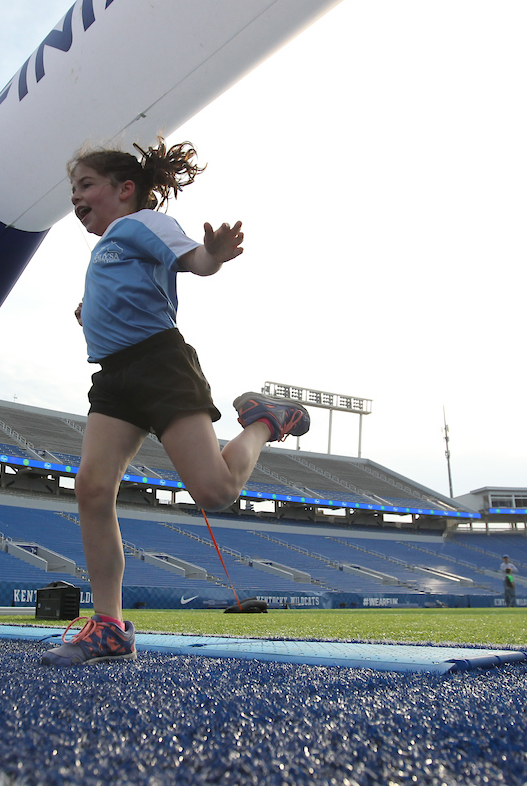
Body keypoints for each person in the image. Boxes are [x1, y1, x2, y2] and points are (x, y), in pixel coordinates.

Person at [41, 140, 311, 667]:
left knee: (215, 491)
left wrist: (213, 253)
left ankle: (264, 420)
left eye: (85, 185)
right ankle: (111, 627)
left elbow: (195, 261)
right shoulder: (107, 248)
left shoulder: (141, 223)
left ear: (125, 189)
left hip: (160, 365)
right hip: (116, 378)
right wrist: (91, 311)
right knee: (93, 489)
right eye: (73, 190)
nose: (76, 198)